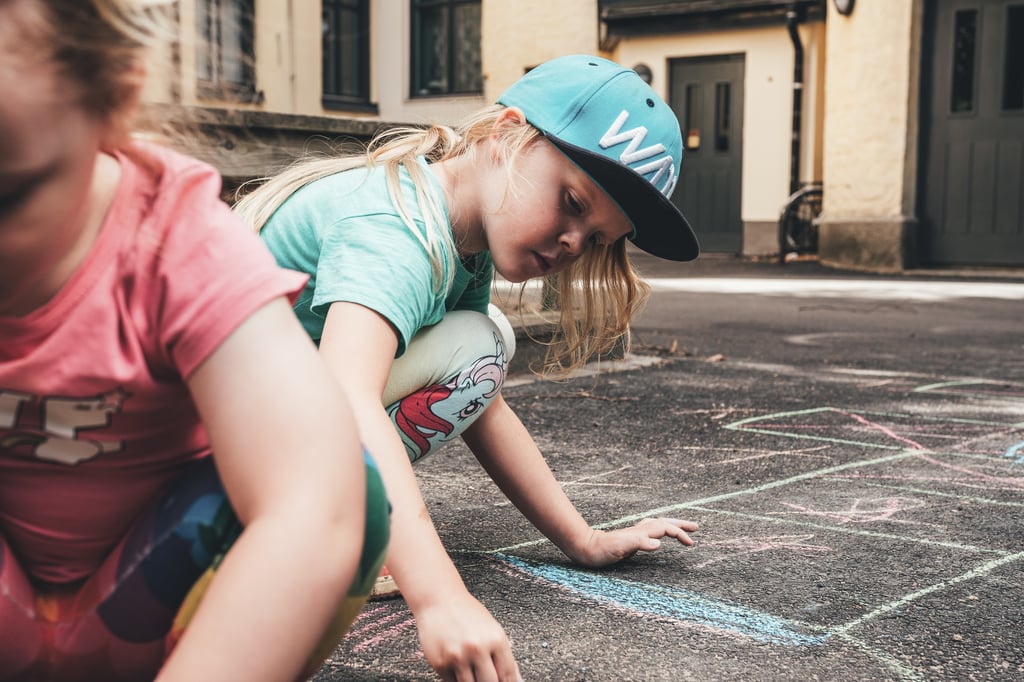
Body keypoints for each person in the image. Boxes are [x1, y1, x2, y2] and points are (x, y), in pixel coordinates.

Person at [236, 54, 702, 681]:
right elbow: (347, 397)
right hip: (198, 458)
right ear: (507, 135)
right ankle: (297, 530)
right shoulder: (396, 226)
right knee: (483, 344)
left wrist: (583, 541)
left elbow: (484, 402)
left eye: (596, 239)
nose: (572, 243)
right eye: (572, 202)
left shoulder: (460, 238)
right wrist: (442, 598)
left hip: (248, 438)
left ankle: (313, 521)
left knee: (483, 345)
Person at [0, 1, 389, 680]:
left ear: (111, 105)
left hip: (146, 617)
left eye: (7, 198)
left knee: (346, 481)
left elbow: (314, 502)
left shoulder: (178, 242)